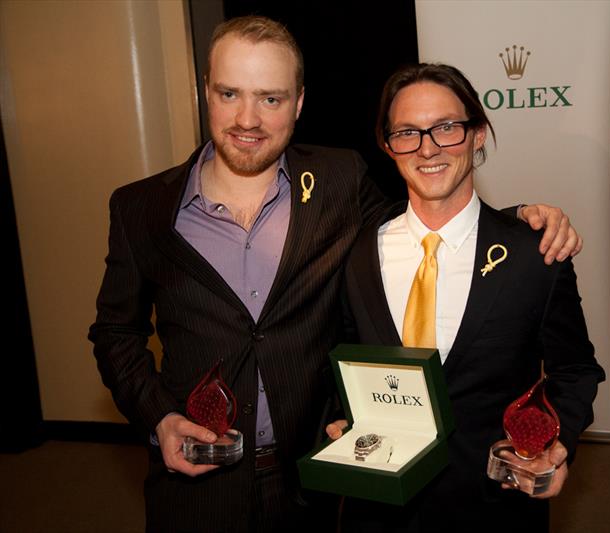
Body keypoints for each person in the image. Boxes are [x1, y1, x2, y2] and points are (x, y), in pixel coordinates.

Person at [88, 16, 581, 533]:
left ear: (298, 103)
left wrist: (517, 221)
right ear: (206, 91)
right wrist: (159, 419)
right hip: (192, 490)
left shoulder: (337, 182)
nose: (248, 118)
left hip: (310, 487)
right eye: (230, 93)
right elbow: (115, 333)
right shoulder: (140, 209)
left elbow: (425, 211)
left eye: (271, 98)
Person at [326, 63, 605, 532]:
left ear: (478, 135)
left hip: (492, 507)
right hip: (376, 507)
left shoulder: (534, 254)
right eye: (408, 132)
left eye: (446, 128)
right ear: (388, 146)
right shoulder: (356, 251)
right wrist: (340, 418)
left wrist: (559, 441)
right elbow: (343, 355)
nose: (428, 148)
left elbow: (575, 371)